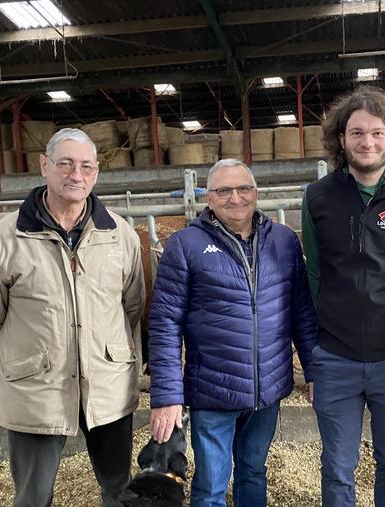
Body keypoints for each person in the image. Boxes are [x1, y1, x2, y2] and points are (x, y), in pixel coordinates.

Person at [0, 128, 146, 507]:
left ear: (96, 174)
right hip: (36, 391)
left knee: (118, 490)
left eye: (85, 166)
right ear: (44, 166)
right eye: (64, 164)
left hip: (106, 385)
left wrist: (103, 350)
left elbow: (132, 305)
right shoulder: (1, 240)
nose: (75, 175)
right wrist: (25, 359)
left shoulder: (120, 235)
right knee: (32, 496)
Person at [147, 159, 317, 507]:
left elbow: (301, 312)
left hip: (267, 387)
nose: (234, 197)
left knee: (253, 471)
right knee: (211, 483)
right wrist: (166, 395)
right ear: (208, 198)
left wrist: (314, 372)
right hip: (213, 389)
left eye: (243, 188)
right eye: (223, 190)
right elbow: (164, 323)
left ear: (256, 193)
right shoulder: (185, 245)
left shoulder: (283, 241)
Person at [301, 85, 385, 507]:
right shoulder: (319, 196)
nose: (367, 142)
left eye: (377, 133)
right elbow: (313, 274)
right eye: (357, 133)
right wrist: (312, 353)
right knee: (338, 465)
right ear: (341, 140)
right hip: (335, 358)